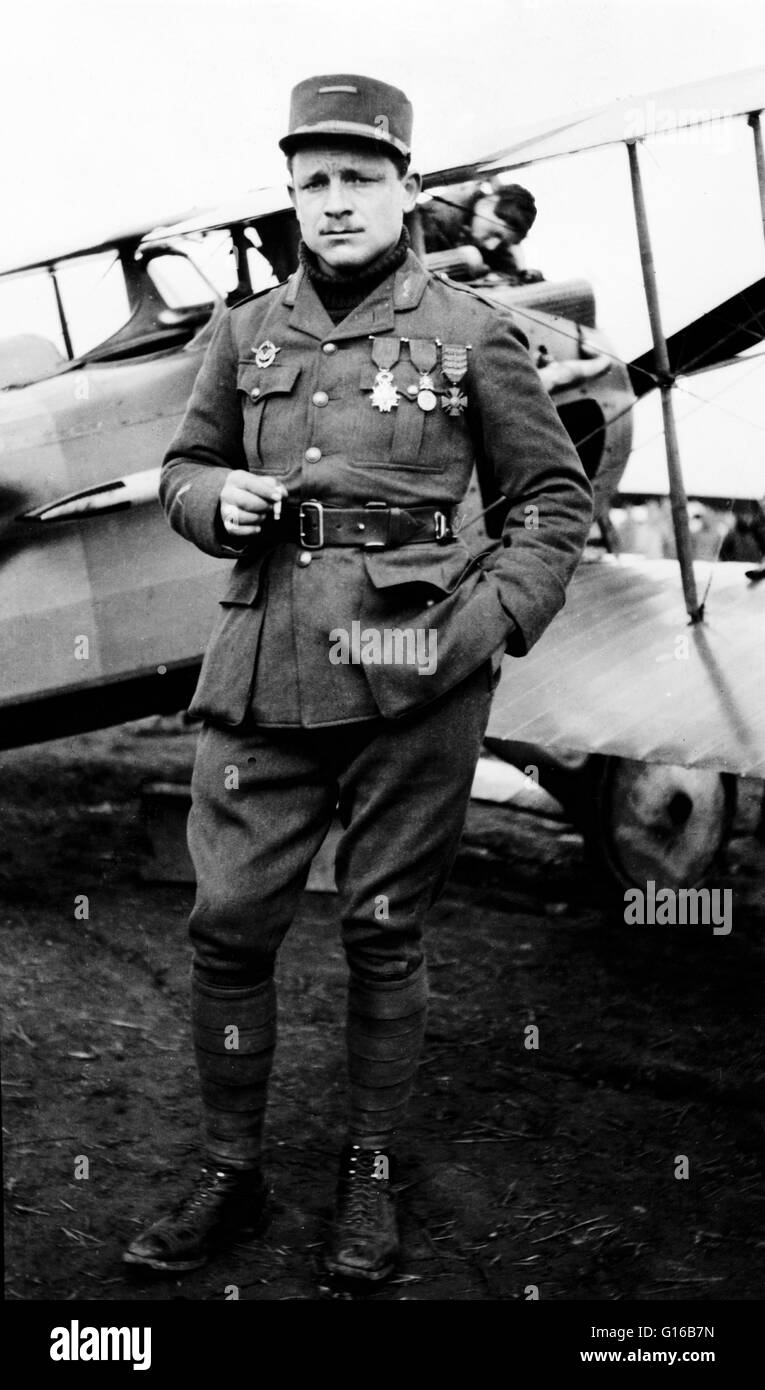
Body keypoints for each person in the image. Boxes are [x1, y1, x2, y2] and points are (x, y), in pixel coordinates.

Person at [123, 73, 593, 1285]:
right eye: (312, 183)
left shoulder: (472, 332)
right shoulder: (246, 332)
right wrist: (208, 502)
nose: (333, 204)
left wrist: (482, 627)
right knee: (227, 928)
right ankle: (231, 1170)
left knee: (384, 932)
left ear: (404, 189)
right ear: (290, 196)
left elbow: (551, 501)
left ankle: (371, 1184)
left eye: (358, 180)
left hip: (412, 674)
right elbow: (184, 463)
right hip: (263, 658)